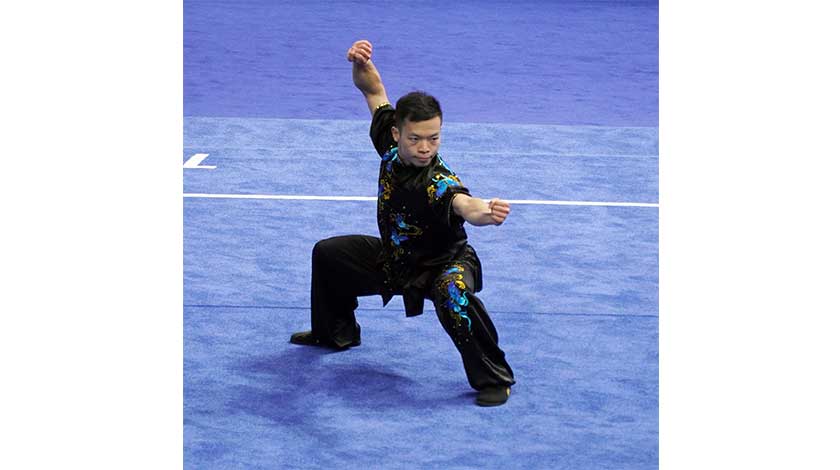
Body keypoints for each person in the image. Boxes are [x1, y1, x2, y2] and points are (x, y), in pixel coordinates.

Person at [290, 39, 515, 406]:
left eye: (434, 138)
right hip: (397, 259)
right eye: (416, 139)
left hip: (445, 265)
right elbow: (374, 91)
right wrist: (361, 63)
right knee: (329, 254)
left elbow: (464, 204)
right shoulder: (391, 149)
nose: (425, 148)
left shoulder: (438, 181)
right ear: (397, 134)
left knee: (453, 293)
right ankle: (335, 332)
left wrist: (485, 213)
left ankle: (494, 379)